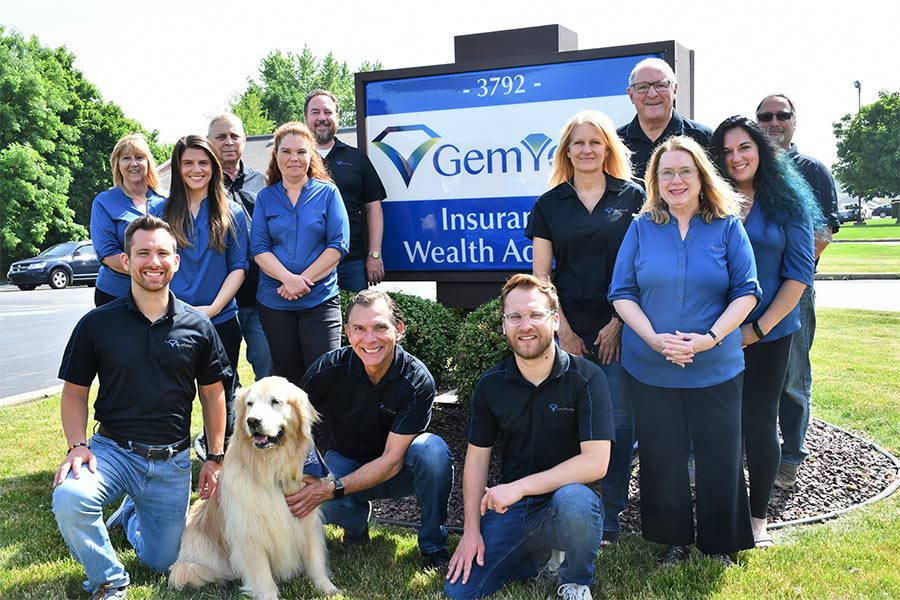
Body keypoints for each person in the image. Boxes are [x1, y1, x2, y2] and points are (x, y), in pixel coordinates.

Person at [52, 215, 229, 600]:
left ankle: (130, 514)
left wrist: (214, 457)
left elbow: (213, 393)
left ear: (176, 261)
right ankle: (109, 580)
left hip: (172, 461)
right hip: (112, 452)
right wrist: (76, 445)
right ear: (126, 261)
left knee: (160, 559)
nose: (154, 261)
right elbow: (74, 393)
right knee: (70, 498)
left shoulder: (198, 326)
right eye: (143, 253)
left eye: (163, 253)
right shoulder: (97, 324)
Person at [608, 136, 760, 564]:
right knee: (662, 456)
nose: (676, 180)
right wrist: (654, 339)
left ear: (701, 177)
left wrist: (709, 338)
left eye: (685, 171)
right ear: (655, 181)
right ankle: (673, 540)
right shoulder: (641, 227)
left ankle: (722, 543)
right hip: (650, 365)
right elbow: (621, 291)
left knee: (721, 455)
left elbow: (747, 292)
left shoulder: (727, 226)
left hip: (717, 363)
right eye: (666, 173)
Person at [445, 274, 613, 600]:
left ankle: (575, 580)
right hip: (515, 511)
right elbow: (477, 459)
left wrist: (519, 486)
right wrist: (470, 531)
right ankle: (537, 559)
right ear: (504, 325)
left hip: (567, 506)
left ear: (554, 320)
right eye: (515, 317)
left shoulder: (586, 378)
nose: (526, 326)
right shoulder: (491, 386)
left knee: (575, 502)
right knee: (459, 592)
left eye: (536, 315)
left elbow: (596, 463)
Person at [526, 110, 644, 545]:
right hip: (569, 330)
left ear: (608, 148)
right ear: (567, 151)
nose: (587, 150)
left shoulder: (634, 197)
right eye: (579, 143)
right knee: (566, 423)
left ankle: (609, 514)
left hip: (622, 327)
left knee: (618, 421)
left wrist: (617, 322)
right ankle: (565, 508)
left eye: (595, 142)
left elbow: (640, 266)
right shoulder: (549, 204)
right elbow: (541, 277)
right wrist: (564, 331)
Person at [709, 116, 820, 546]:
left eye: (745, 148)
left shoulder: (788, 203)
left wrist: (758, 328)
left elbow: (798, 276)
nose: (736, 158)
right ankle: (724, 509)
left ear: (761, 151)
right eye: (727, 151)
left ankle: (758, 519)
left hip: (768, 335)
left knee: (758, 422)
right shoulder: (711, 201)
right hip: (716, 334)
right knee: (719, 424)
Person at [284, 289, 453, 569]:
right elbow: (293, 428)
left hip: (399, 467)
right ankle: (356, 523)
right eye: (359, 329)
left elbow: (391, 461)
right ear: (348, 333)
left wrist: (332, 488)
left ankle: (434, 545)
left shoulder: (417, 379)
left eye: (380, 327)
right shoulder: (326, 370)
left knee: (432, 452)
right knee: (310, 495)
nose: (369, 339)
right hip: (346, 461)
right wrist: (312, 474)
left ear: (399, 330)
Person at [755, 94, 841, 489]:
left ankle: (791, 454)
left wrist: (792, 272)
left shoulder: (813, 170)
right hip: (746, 294)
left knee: (792, 375)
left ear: (794, 121)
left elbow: (823, 233)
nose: (773, 121)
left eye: (781, 115)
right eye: (765, 116)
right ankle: (752, 445)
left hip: (794, 292)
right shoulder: (750, 167)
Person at [153, 135, 248, 456]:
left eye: (203, 163)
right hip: (169, 321)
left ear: (214, 166)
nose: (196, 169)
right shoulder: (159, 212)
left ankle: (219, 456)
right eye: (188, 163)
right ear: (178, 168)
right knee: (170, 393)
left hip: (219, 320)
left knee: (220, 393)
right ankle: (170, 458)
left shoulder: (231, 212)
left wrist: (212, 309)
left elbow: (238, 267)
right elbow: (153, 268)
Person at [250, 121, 350, 386]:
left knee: (326, 377)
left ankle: (326, 430)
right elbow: (259, 248)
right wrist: (287, 279)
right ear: (277, 156)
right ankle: (293, 430)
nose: (294, 158)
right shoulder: (265, 197)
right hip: (275, 304)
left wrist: (302, 280)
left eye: (301, 152)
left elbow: (338, 245)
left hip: (320, 301)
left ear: (311, 155)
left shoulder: (328, 193)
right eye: (286, 151)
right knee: (287, 383)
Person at [208, 112, 273, 384]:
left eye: (234, 136)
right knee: (222, 374)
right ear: (209, 141)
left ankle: (266, 425)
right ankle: (229, 425)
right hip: (219, 298)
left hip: (261, 295)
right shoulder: (202, 184)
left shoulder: (265, 183)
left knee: (267, 365)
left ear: (244, 140)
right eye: (221, 137)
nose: (228, 142)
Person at [304, 89, 387, 292]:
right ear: (305, 117)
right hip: (304, 264)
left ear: (337, 117)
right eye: (315, 112)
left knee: (356, 319)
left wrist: (374, 255)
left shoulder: (356, 158)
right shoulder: (293, 159)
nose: (322, 118)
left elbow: (373, 208)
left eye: (328, 112)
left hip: (351, 262)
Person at [90, 134, 166, 307]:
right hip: (115, 294)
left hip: (160, 294)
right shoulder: (104, 202)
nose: (133, 163)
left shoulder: (166, 201)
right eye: (126, 158)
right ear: (117, 163)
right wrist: (148, 271)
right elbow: (107, 254)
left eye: (139, 157)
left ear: (148, 163)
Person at [616, 57, 712, 180]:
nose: (652, 94)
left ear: (675, 89)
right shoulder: (616, 143)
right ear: (631, 95)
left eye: (661, 85)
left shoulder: (703, 138)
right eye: (642, 87)